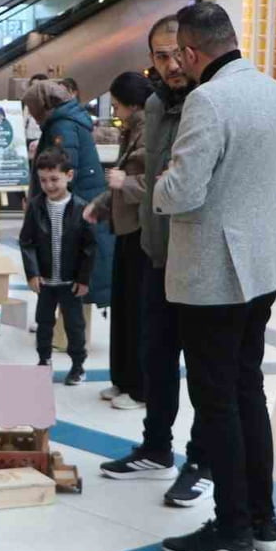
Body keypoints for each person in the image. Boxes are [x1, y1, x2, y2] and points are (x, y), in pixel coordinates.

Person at [153, 1, 276, 551]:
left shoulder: (207, 100)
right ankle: (264, 523)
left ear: (191, 52)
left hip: (214, 270)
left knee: (215, 401)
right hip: (265, 264)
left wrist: (160, 187)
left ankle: (232, 531)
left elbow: (183, 192)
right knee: (246, 391)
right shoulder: (275, 92)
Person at [98, 16, 212, 507]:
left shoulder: (209, 103)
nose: (170, 65)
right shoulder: (153, 104)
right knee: (156, 355)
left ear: (193, 51)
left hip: (202, 257)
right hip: (155, 249)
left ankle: (203, 461)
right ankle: (156, 448)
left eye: (176, 54)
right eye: (160, 56)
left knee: (207, 370)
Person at [85, 71, 151, 405]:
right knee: (122, 307)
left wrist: (122, 185)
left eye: (117, 104)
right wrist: (101, 204)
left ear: (129, 103)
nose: (115, 111)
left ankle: (139, 388)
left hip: (143, 231)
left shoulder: (150, 129)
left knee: (137, 312)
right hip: (124, 228)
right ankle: (123, 380)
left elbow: (156, 183)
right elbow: (118, 179)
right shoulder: (132, 130)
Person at [22, 79, 114, 313]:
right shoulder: (68, 120)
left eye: (33, 110)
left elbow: (63, 171)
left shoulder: (62, 126)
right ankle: (71, 332)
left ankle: (70, 336)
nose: (33, 116)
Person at [19, 149, 94, 384]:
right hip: (46, 282)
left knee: (74, 326)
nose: (49, 185)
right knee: (44, 322)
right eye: (43, 180)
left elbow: (89, 248)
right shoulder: (35, 207)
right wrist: (32, 273)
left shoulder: (82, 208)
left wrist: (83, 279)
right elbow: (27, 241)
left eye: (54, 179)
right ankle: (44, 360)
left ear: (69, 176)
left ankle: (78, 365)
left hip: (71, 282)